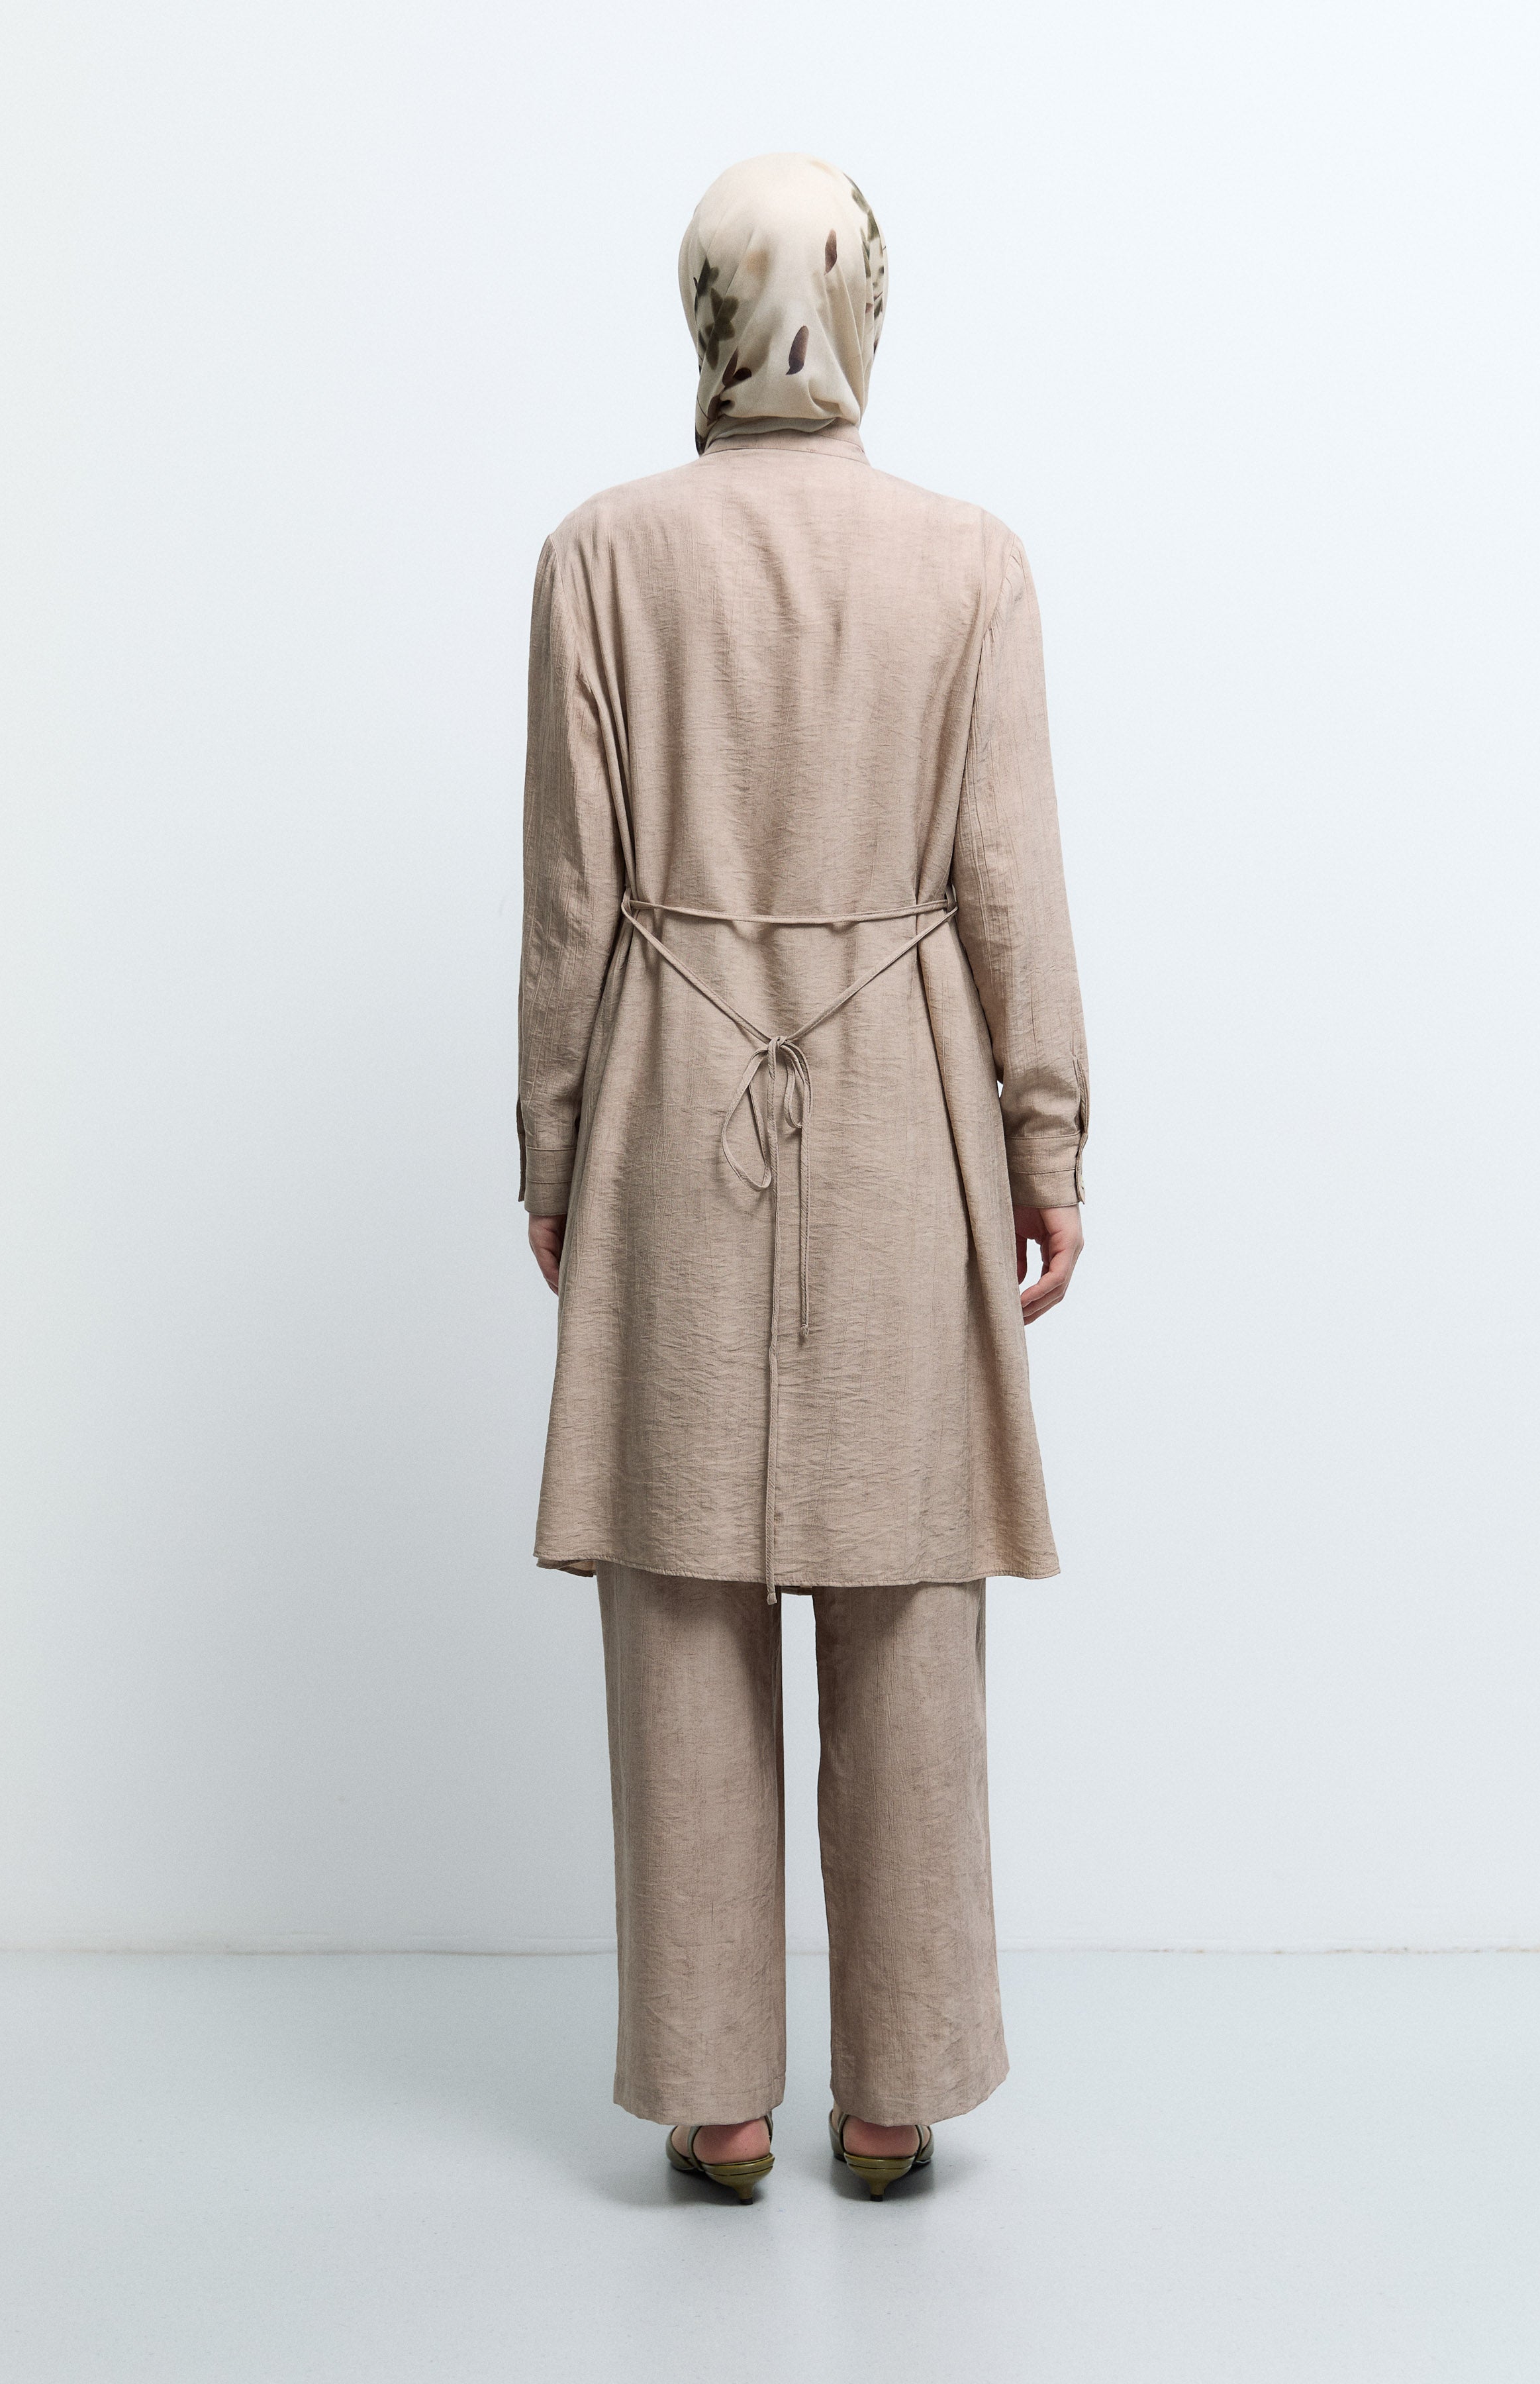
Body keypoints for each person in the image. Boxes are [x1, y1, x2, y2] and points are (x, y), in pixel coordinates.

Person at [516, 152, 1088, 2202]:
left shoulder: (601, 556)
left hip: (672, 1095)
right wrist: (1044, 1137)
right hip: (902, 1111)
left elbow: (572, 899)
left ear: (699, 307)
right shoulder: (968, 563)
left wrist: (554, 1143)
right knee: (906, 1591)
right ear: (864, 309)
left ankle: (719, 2095)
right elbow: (1008, 881)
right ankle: (895, 2089)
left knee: (682, 1594)